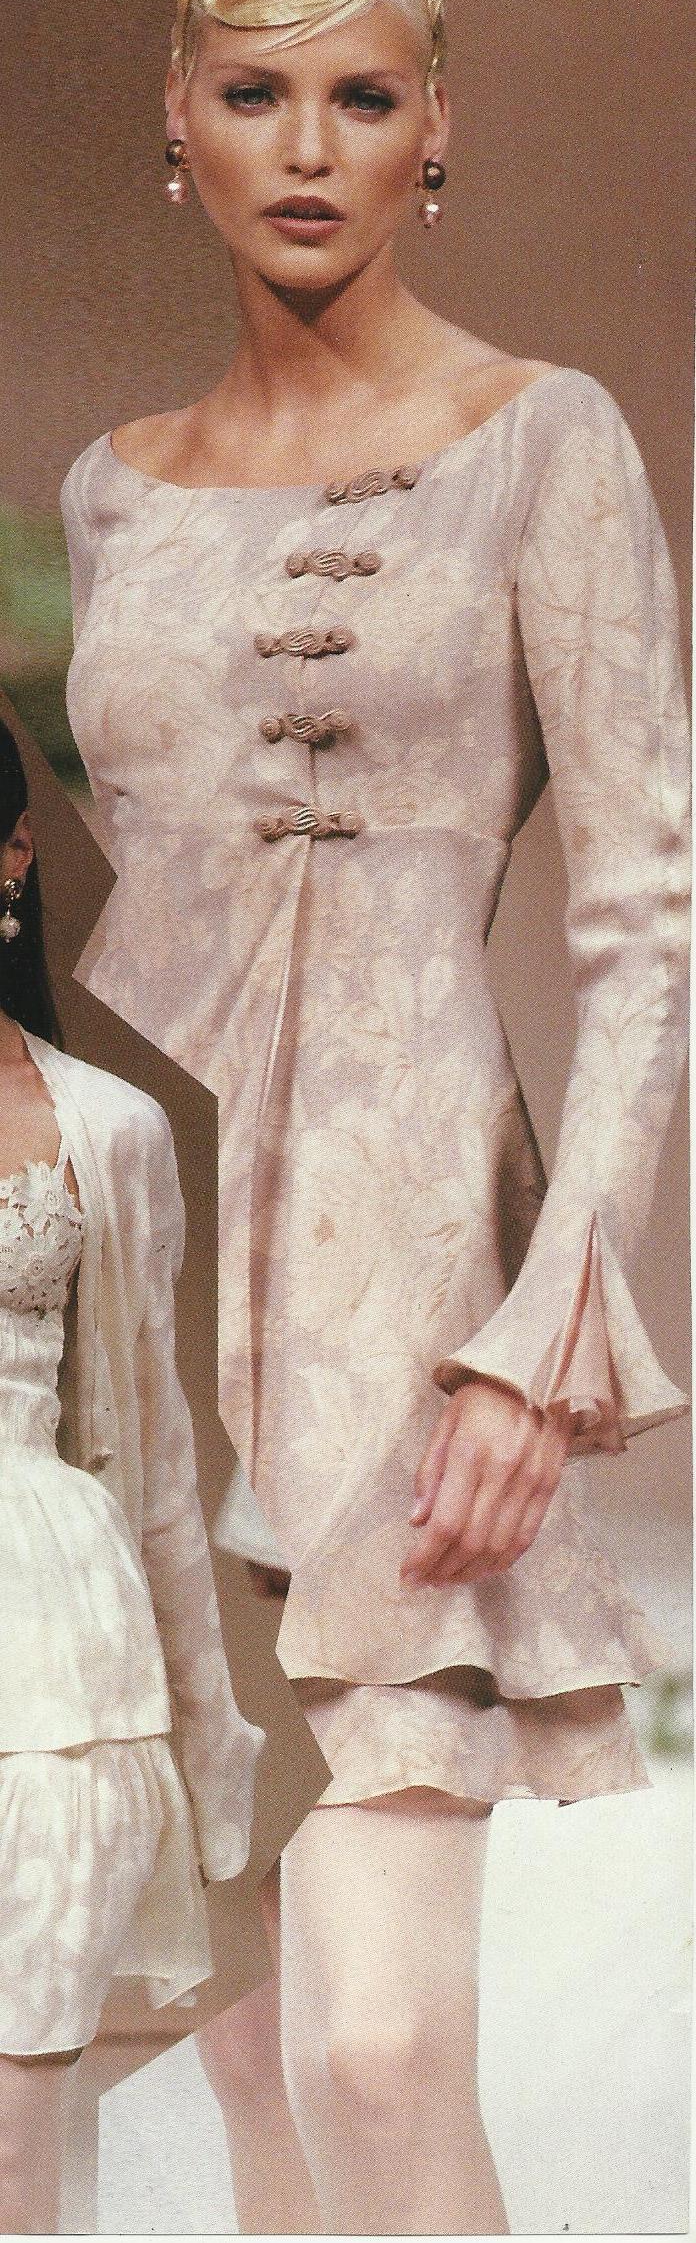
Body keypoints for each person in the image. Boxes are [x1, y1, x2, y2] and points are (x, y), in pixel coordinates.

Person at [57, 0, 690, 2230]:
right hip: (139, 1284)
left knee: (382, 2043)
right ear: (183, 123)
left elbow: (642, 917)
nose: (307, 144)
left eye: (359, 93)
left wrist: (547, 1325)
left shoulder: (545, 438)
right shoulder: (112, 488)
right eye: (256, 93)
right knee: (235, 2049)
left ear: (437, 125)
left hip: (407, 1274)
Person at [0, 718, 264, 2235]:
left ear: (14, 854)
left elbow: (158, 1459)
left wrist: (214, 1746)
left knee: (20, 2148)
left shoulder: (111, 1130)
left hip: (50, 1648)